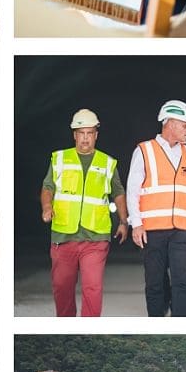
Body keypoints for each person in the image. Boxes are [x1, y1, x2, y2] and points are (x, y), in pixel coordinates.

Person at [40, 108, 128, 316]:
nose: (85, 138)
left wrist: (124, 221)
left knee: (93, 288)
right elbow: (47, 188)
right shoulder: (60, 159)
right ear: (74, 135)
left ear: (96, 135)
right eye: (81, 133)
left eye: (90, 133)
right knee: (62, 288)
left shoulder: (107, 163)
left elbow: (118, 192)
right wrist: (47, 207)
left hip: (95, 238)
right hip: (64, 236)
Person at [126, 99, 186, 316]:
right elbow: (132, 190)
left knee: (181, 283)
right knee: (155, 284)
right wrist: (136, 224)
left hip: (183, 229)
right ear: (170, 123)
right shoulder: (144, 151)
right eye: (185, 125)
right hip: (152, 230)